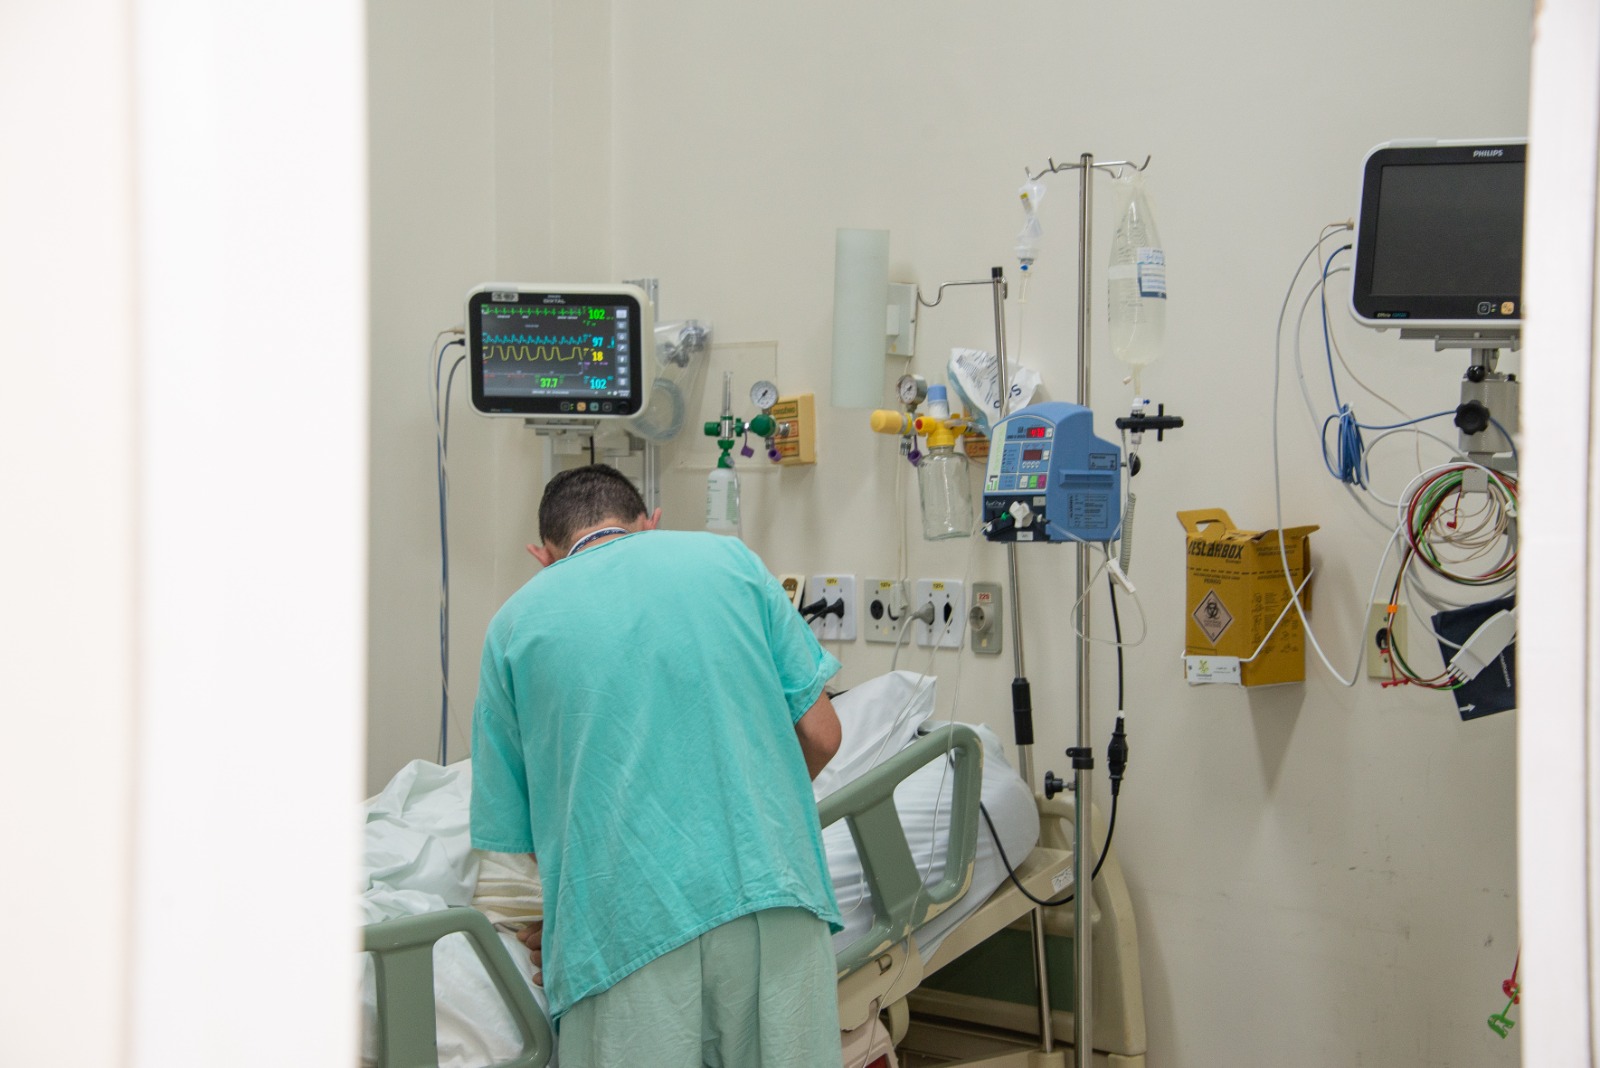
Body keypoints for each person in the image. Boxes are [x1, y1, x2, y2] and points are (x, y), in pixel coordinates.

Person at [470, 463, 846, 1068]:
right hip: (775, 901)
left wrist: (569, 920)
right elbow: (823, 736)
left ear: (543, 556)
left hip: (624, 933)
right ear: (651, 524)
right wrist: (745, 816)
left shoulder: (513, 625)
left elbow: (533, 835)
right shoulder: (732, 562)